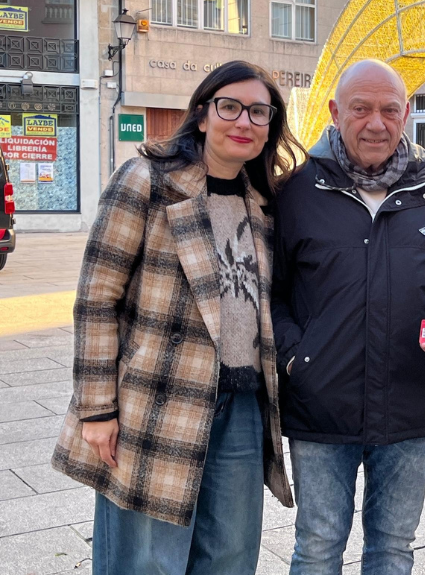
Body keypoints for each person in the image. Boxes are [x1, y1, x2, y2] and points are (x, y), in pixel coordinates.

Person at [52, 60, 302, 574]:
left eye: (259, 112)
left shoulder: (262, 204)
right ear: (203, 115)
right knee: (146, 561)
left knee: (230, 556)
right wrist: (96, 410)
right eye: (229, 106)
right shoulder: (146, 181)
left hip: (242, 406)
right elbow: (97, 297)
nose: (244, 121)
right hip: (156, 402)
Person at [270, 59, 425, 575]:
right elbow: (270, 291)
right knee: (319, 545)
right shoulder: (296, 193)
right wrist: (295, 358)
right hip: (320, 402)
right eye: (361, 109)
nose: (376, 123)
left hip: (410, 400)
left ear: (406, 113)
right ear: (334, 112)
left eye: (390, 110)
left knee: (393, 547)